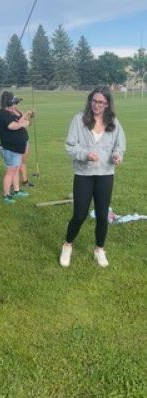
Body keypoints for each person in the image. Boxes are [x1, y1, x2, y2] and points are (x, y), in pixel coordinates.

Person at [60, 86, 126, 268]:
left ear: (107, 105)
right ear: (90, 101)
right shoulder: (79, 120)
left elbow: (119, 146)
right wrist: (85, 154)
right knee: (80, 214)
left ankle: (99, 249)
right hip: (84, 174)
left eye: (102, 102)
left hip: (106, 174)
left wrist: (117, 155)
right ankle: (67, 245)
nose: (97, 105)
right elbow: (70, 146)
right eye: (95, 101)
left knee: (102, 215)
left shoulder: (113, 122)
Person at [0, 91, 34, 204]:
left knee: (15, 170)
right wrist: (24, 124)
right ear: (8, 101)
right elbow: (12, 126)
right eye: (13, 101)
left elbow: (18, 121)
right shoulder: (3, 113)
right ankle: (6, 195)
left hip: (16, 148)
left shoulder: (10, 112)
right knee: (10, 172)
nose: (15, 104)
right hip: (10, 149)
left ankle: (16, 191)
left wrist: (26, 117)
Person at [11, 96, 35, 188]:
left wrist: (31, 117)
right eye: (16, 102)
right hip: (16, 140)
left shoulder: (19, 112)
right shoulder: (9, 114)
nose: (18, 104)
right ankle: (13, 181)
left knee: (23, 161)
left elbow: (28, 124)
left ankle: (25, 181)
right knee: (15, 162)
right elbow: (18, 124)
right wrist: (26, 114)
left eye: (18, 102)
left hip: (25, 139)